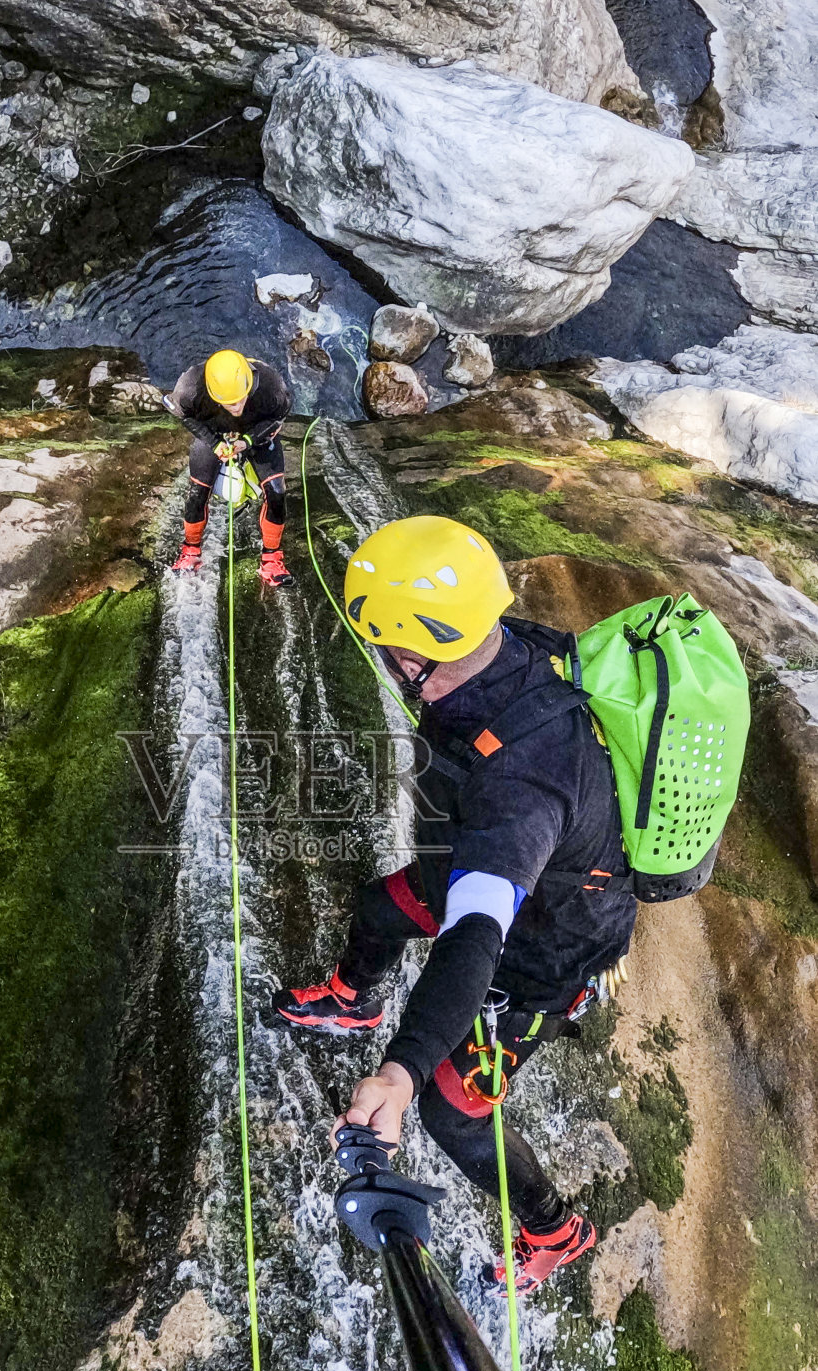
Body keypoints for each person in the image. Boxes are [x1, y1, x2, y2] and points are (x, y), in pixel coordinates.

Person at [272, 515, 636, 1294]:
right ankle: (352, 1000)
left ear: (411, 654)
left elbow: (474, 935)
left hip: (542, 950)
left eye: (381, 647)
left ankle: (554, 1230)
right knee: (378, 908)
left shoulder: (523, 789)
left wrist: (402, 1072)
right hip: (467, 871)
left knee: (451, 1111)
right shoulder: (509, 647)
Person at [164, 349, 293, 587]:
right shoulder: (190, 388)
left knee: (276, 492)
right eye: (229, 403)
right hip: (215, 433)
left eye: (241, 398)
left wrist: (249, 441)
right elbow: (184, 415)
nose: (236, 407)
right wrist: (214, 444)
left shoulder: (270, 386)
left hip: (256, 434)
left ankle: (271, 559)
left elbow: (278, 417)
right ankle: (190, 551)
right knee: (197, 492)